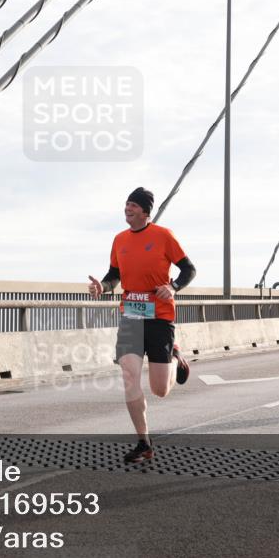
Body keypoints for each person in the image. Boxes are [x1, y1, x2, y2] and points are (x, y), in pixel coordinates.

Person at [88, 187, 196, 463]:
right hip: (131, 317)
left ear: (146, 211)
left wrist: (172, 287)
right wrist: (104, 286)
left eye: (133, 205)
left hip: (159, 317)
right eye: (126, 204)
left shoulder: (163, 236)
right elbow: (114, 274)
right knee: (129, 377)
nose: (128, 209)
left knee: (160, 389)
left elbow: (188, 269)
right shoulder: (119, 239)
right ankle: (144, 443)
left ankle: (175, 357)